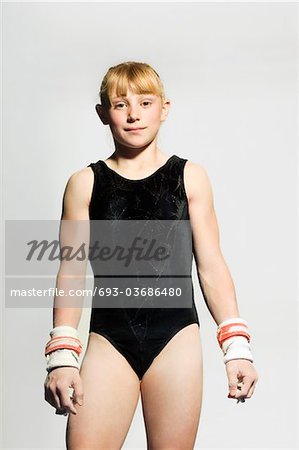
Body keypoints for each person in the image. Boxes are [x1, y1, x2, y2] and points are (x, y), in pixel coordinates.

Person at [44, 61, 259, 449]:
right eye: (120, 104)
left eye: (145, 102)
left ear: (165, 107)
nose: (133, 114)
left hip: (174, 339)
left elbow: (211, 266)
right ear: (102, 113)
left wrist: (237, 347)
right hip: (110, 339)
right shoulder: (84, 184)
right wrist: (62, 355)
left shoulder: (190, 177)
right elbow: (71, 271)